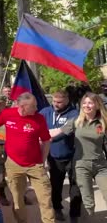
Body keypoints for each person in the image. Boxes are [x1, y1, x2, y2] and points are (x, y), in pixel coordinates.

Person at [0, 92, 55, 223]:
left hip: (35, 165)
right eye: (34, 106)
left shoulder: (39, 118)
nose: (36, 109)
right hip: (13, 164)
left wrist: (42, 161)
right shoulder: (7, 114)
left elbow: (46, 141)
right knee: (18, 200)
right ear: (23, 106)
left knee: (45, 198)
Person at [50, 92, 107, 217]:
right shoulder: (76, 121)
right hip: (82, 165)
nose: (87, 105)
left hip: (101, 165)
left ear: (97, 105)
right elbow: (56, 132)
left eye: (90, 103)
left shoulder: (103, 121)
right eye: (84, 103)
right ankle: (88, 217)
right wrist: (36, 135)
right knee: (88, 200)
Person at [39, 91, 81, 222]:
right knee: (56, 185)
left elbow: (66, 131)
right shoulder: (45, 112)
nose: (56, 104)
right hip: (54, 156)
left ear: (67, 101)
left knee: (76, 186)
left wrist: (49, 135)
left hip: (73, 155)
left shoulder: (74, 113)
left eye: (59, 102)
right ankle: (57, 208)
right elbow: (37, 127)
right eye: (54, 101)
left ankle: (74, 214)